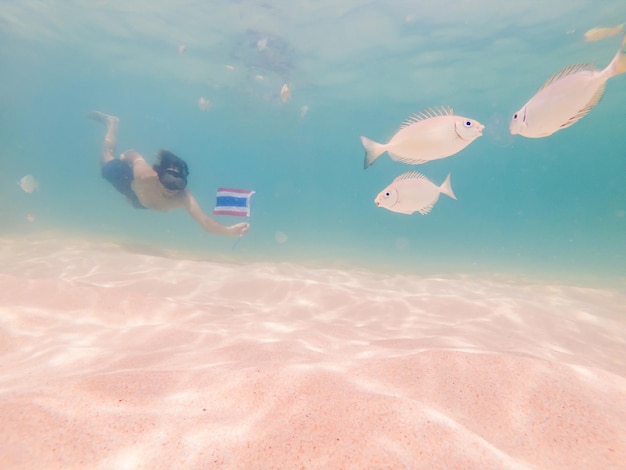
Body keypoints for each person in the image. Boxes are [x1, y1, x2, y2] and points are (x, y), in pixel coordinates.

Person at [88, 111, 249, 238]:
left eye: (178, 184)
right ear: (158, 175)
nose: (172, 189)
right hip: (127, 181)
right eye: (168, 180)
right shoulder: (144, 174)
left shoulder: (183, 197)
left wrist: (229, 231)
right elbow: (134, 155)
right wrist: (124, 157)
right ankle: (112, 123)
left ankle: (131, 199)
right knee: (106, 157)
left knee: (133, 202)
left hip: (142, 201)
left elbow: (206, 223)